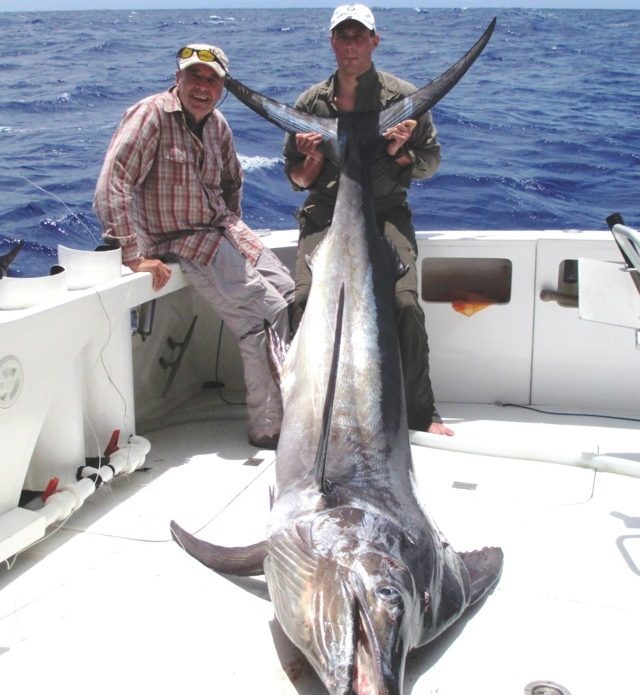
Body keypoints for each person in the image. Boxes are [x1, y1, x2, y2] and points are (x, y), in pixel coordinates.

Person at [94, 44, 294, 450]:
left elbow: (233, 181)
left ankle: (300, 409)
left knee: (292, 295)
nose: (203, 86)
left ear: (222, 86)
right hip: (180, 239)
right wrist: (133, 254)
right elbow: (113, 182)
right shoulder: (150, 114)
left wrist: (233, 228)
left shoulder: (217, 123)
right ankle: (270, 428)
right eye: (195, 76)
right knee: (263, 315)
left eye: (212, 79)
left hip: (224, 230)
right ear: (178, 76)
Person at [283, 4, 454, 436]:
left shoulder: (403, 99)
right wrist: (310, 158)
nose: (352, 45)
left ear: (375, 41)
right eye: (344, 36)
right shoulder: (310, 103)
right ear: (332, 42)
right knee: (302, 302)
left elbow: (431, 163)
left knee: (405, 305)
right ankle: (304, 414)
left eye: (360, 36)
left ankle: (422, 413)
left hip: (386, 213)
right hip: (326, 214)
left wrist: (400, 151)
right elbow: (298, 179)